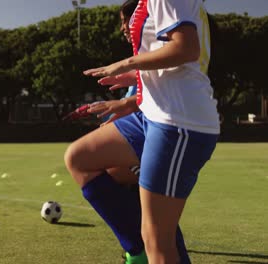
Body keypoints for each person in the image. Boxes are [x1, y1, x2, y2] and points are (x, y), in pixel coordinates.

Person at [65, 0, 219, 263]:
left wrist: (125, 64)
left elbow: (186, 48)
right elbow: (170, 56)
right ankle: (136, 251)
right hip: (152, 116)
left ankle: (141, 252)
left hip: (178, 122)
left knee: (157, 241)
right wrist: (136, 77)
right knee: (80, 157)